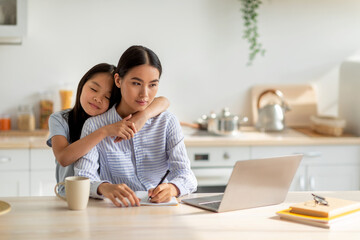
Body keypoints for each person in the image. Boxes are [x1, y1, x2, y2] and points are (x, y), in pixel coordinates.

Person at [74, 45, 197, 207]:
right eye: (136, 83)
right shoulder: (95, 126)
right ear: (118, 80)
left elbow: (187, 176)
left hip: (161, 214)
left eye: (152, 85)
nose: (145, 94)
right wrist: (105, 187)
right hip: (116, 213)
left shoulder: (167, 122)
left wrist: (173, 188)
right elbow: (83, 176)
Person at [47, 63, 170, 195]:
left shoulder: (114, 121)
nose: (98, 99)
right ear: (82, 84)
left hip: (101, 197)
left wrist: (143, 115)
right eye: (94, 89)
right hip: (70, 195)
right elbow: (63, 158)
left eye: (107, 97)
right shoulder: (60, 119)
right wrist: (104, 131)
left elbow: (164, 101)